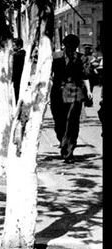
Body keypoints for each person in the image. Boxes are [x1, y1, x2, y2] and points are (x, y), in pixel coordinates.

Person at [50, 34, 92, 162]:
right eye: (69, 45)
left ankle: (68, 150)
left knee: (70, 121)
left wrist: (89, 90)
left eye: (72, 45)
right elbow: (49, 74)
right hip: (61, 90)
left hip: (71, 90)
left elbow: (85, 76)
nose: (70, 47)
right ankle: (64, 142)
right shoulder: (56, 57)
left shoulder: (81, 58)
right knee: (61, 121)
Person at [11, 38, 26, 103]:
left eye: (14, 45)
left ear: (19, 46)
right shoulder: (20, 53)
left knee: (17, 92)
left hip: (18, 77)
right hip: (18, 77)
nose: (12, 47)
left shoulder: (19, 54)